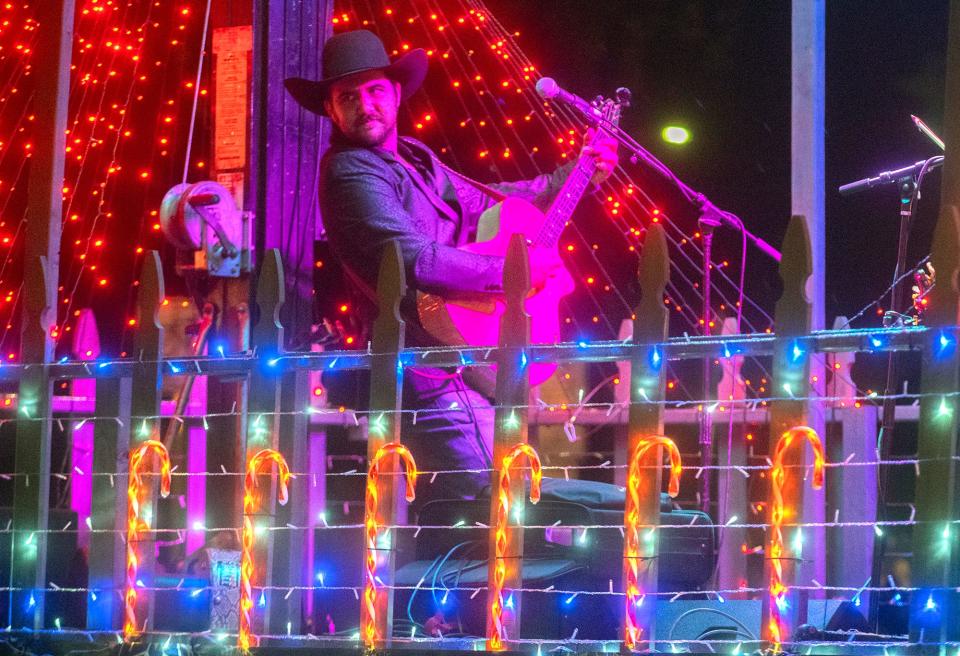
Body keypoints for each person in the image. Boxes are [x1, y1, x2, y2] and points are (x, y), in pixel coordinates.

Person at [286, 30, 617, 507]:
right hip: (430, 369)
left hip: (471, 354)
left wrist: (580, 172)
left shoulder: (417, 157)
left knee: (510, 505)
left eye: (375, 90)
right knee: (497, 503)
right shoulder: (348, 171)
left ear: (396, 93)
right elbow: (411, 255)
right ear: (331, 111)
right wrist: (511, 272)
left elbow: (498, 204)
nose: (365, 105)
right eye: (347, 97)